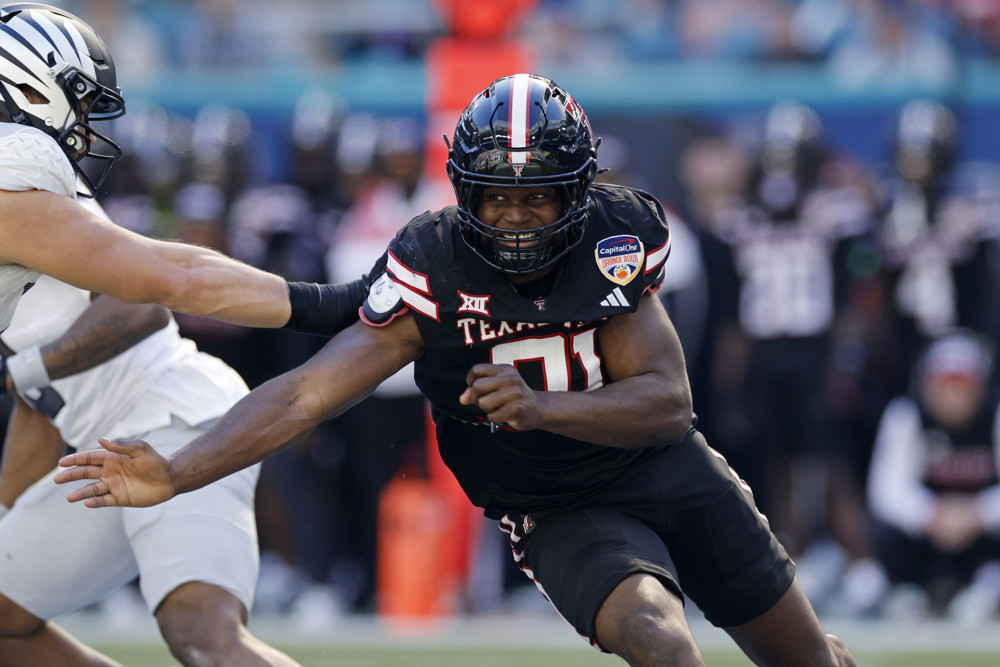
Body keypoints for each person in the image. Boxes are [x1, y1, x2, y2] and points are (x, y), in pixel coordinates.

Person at [57, 74, 857, 667]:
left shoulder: (613, 239)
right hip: (553, 506)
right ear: (464, 191)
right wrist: (178, 469)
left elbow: (667, 404)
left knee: (811, 658)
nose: (514, 218)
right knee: (661, 641)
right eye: (496, 197)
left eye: (536, 198)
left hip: (666, 469)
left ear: (576, 193)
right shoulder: (435, 266)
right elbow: (303, 395)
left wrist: (541, 407)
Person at [0, 3, 364, 337]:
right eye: (79, 106)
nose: (89, 135)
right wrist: (333, 303)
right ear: (28, 89)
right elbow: (178, 277)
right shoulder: (19, 167)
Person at [0, 271, 300, 666]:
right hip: (107, 454)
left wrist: (21, 371)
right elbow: (36, 408)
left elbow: (142, 305)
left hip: (173, 414)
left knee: (201, 631)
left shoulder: (21, 230)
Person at [867, 328, 1000, 619]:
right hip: (929, 534)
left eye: (962, 387)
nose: (953, 398)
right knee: (885, 533)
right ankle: (908, 590)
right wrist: (931, 515)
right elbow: (886, 491)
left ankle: (987, 586)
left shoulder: (996, 416)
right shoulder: (906, 415)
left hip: (982, 535)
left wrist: (977, 514)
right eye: (945, 387)